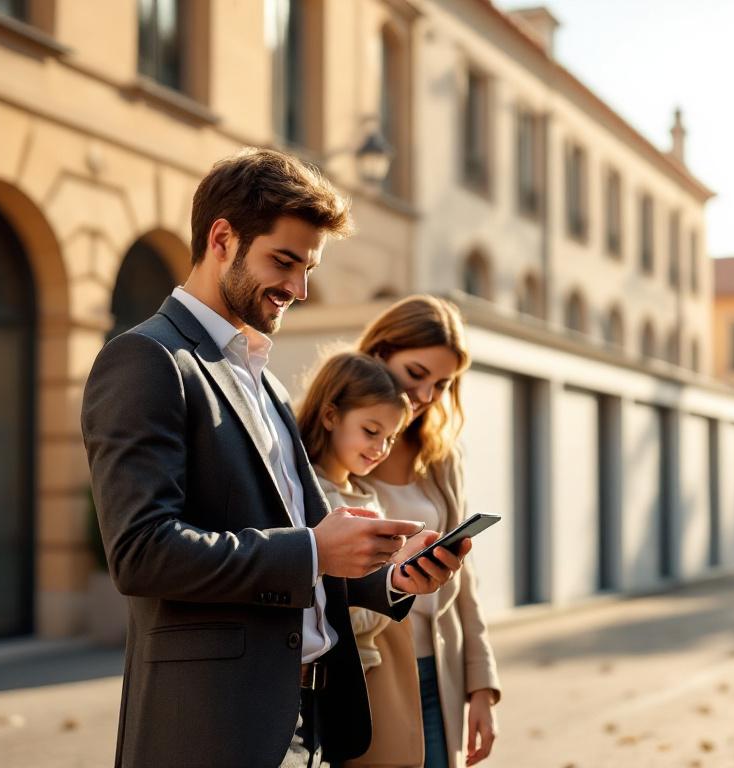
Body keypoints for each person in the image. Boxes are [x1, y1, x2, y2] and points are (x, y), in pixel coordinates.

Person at [81, 148, 468, 768]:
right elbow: (142, 551)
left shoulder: (266, 382)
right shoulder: (148, 361)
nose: (299, 289)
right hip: (216, 730)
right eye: (284, 262)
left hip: (312, 725)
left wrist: (391, 576)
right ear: (222, 239)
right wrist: (315, 549)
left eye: (307, 268)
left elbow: (311, 556)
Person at [349, 296, 503, 768]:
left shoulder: (439, 455)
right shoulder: (330, 444)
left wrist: (481, 684)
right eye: (416, 374)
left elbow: (466, 579)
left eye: (442, 384)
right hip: (370, 673)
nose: (427, 395)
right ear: (377, 354)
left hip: (441, 668)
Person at [297, 351, 413, 674]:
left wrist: (400, 573)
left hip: (375, 668)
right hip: (332, 674)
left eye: (390, 438)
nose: (381, 448)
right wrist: (392, 584)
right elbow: (337, 612)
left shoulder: (369, 497)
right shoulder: (306, 494)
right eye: (371, 431)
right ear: (331, 416)